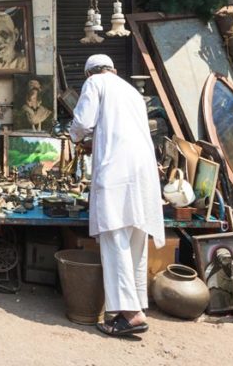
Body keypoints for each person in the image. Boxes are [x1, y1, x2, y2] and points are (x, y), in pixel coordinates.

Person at [69, 54, 165, 337]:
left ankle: (130, 314)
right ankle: (137, 305)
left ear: (90, 73)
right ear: (112, 68)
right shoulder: (131, 91)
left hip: (116, 172)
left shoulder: (95, 84)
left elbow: (83, 122)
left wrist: (74, 136)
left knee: (114, 239)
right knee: (136, 239)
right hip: (143, 173)